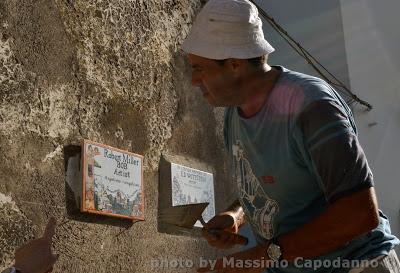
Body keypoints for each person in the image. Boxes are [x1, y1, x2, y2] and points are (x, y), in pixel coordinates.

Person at [181, 0, 400, 272]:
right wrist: (236, 216)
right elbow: (265, 184)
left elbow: (359, 213)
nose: (194, 80)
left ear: (235, 64)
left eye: (200, 69)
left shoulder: (311, 106)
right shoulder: (234, 115)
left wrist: (259, 258)